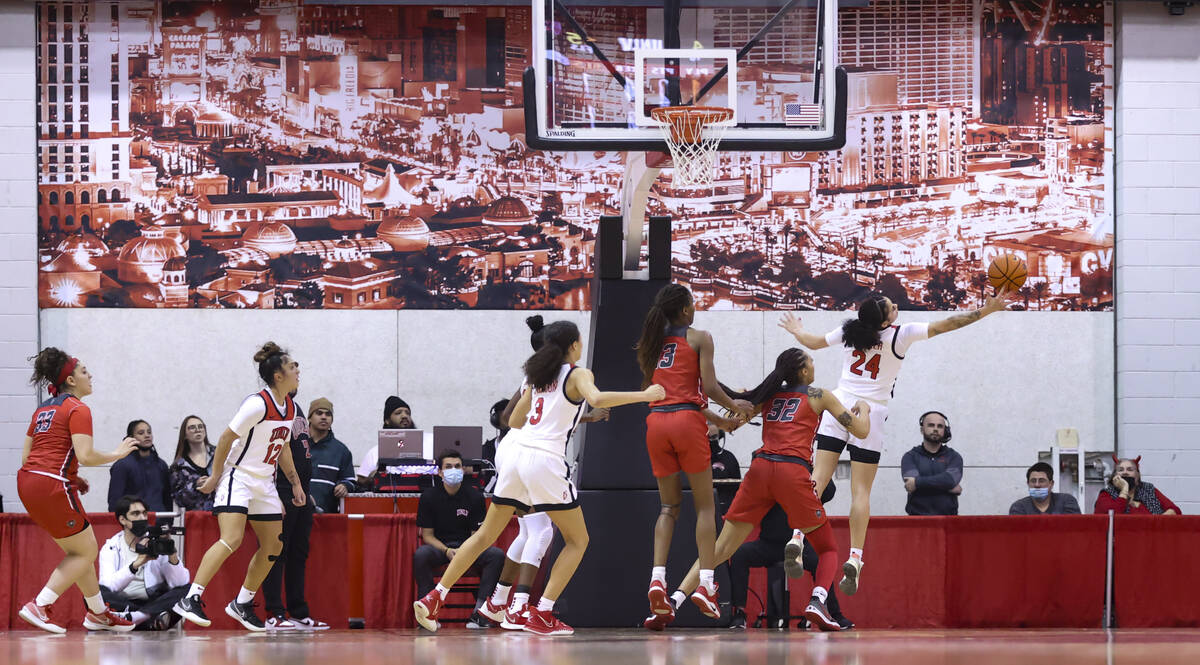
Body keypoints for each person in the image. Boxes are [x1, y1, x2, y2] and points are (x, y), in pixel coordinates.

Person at [414, 321, 665, 636]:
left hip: (516, 457)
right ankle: (542, 612)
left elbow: (515, 419)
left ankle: (436, 596)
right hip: (545, 460)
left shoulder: (538, 376)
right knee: (578, 540)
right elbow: (598, 400)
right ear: (574, 345)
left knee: (484, 536)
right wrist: (646, 394)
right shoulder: (577, 373)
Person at [780, 289, 1008, 594]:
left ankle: (797, 536)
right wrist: (986, 311)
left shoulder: (849, 330)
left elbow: (812, 342)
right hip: (870, 413)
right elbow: (950, 323)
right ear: (886, 320)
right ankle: (856, 558)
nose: (896, 307)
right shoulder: (901, 335)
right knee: (860, 491)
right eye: (892, 306)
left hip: (838, 405)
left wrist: (797, 330)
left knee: (818, 478)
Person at [647, 348, 870, 632]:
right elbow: (861, 431)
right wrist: (863, 408)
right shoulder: (818, 395)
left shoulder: (769, 395)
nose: (814, 365)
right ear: (802, 371)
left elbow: (734, 421)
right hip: (792, 471)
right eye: (810, 361)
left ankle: (674, 602)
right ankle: (818, 602)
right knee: (827, 549)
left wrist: (727, 402)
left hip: (760, 468)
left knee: (722, 548)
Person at [479, 316, 610, 631]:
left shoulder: (541, 375)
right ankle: (521, 608)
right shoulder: (544, 377)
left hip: (516, 455)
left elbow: (548, 416)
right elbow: (510, 418)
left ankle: (499, 600)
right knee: (542, 532)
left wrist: (583, 420)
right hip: (526, 455)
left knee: (528, 532)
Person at [635, 283, 756, 621]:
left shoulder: (652, 344)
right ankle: (706, 584)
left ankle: (657, 579)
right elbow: (710, 387)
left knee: (668, 507)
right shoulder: (700, 336)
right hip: (687, 424)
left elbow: (675, 395)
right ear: (686, 309)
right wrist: (738, 408)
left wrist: (720, 419)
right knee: (705, 507)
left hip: (657, 423)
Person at [173, 342, 308, 632]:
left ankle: (242, 603)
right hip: (239, 476)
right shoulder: (257, 403)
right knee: (231, 538)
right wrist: (214, 476)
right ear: (278, 375)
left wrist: (295, 483)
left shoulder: (292, 407)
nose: (298, 369)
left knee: (274, 545)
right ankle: (190, 597)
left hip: (265, 482)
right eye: (292, 365)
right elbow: (224, 440)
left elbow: (283, 447)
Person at [17, 347, 138, 633]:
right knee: (85, 551)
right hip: (50, 484)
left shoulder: (43, 408)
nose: (90, 375)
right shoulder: (78, 408)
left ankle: (98, 613)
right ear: (70, 380)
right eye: (84, 371)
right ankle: (41, 604)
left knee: (79, 551)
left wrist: (71, 476)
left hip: (29, 483)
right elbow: (86, 455)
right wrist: (117, 454)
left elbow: (28, 458)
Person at [413, 450, 506, 629]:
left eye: (457, 466)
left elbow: (478, 536)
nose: (453, 470)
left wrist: (464, 553)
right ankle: (427, 613)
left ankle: (480, 614)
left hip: (468, 548)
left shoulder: (475, 496)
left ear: (463, 470)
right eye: (448, 467)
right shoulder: (429, 497)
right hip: (441, 549)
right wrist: (447, 551)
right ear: (440, 472)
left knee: (496, 555)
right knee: (421, 554)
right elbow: (427, 536)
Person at [262, 395, 330, 631]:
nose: (297, 374)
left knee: (298, 554)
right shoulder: (270, 408)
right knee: (276, 553)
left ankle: (298, 613)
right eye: (292, 368)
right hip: (281, 489)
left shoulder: (295, 408)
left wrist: (303, 489)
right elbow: (270, 452)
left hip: (301, 489)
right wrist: (272, 494)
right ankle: (274, 612)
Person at [99, 495, 190, 630]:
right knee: (97, 593)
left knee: (188, 590)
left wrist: (172, 555)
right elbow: (109, 586)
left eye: (144, 513)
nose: (142, 518)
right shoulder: (111, 547)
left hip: (153, 601)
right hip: (123, 603)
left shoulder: (156, 541)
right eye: (135, 514)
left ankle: (135, 619)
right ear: (123, 519)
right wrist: (136, 564)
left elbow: (179, 583)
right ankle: (148, 619)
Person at [900, 411, 964, 516]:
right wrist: (948, 486)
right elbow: (910, 485)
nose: (935, 429)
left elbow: (949, 480)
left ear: (945, 431)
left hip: (948, 522)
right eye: (931, 425)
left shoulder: (954, 457)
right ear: (922, 429)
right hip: (916, 521)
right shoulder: (910, 457)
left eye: (940, 426)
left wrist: (918, 483)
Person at [108, 419, 171, 513]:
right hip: (133, 523)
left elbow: (167, 498)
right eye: (141, 433)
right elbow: (114, 502)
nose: (147, 435)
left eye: (149, 432)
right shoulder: (122, 465)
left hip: (159, 522)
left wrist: (168, 521)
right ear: (131, 438)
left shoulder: (161, 465)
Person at [305, 397, 356, 513]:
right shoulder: (297, 446)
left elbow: (351, 482)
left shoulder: (341, 450)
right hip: (295, 516)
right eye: (319, 413)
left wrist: (344, 486)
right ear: (309, 418)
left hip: (327, 517)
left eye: (328, 414)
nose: (324, 417)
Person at [355, 395, 421, 485]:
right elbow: (361, 481)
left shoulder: (424, 447)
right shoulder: (375, 452)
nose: (404, 416)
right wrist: (373, 477)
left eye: (407, 413)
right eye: (398, 413)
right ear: (387, 421)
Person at [1094, 456, 1181, 515]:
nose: (1125, 472)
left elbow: (1175, 510)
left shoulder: (1149, 490)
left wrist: (1160, 520)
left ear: (1137, 475)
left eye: (1130, 469)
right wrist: (1124, 490)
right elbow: (1114, 516)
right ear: (1114, 476)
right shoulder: (1106, 494)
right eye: (1121, 470)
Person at [169, 415, 215, 512]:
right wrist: (194, 485)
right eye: (192, 427)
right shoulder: (178, 466)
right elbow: (178, 499)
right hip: (197, 519)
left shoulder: (219, 454)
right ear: (184, 435)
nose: (197, 430)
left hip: (223, 515)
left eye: (200, 426)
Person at [1008, 462, 1081, 515]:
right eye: (1033, 481)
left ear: (1051, 484)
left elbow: (1074, 530)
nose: (1037, 485)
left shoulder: (1066, 501)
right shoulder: (1019, 507)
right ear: (1028, 484)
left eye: (1041, 481)